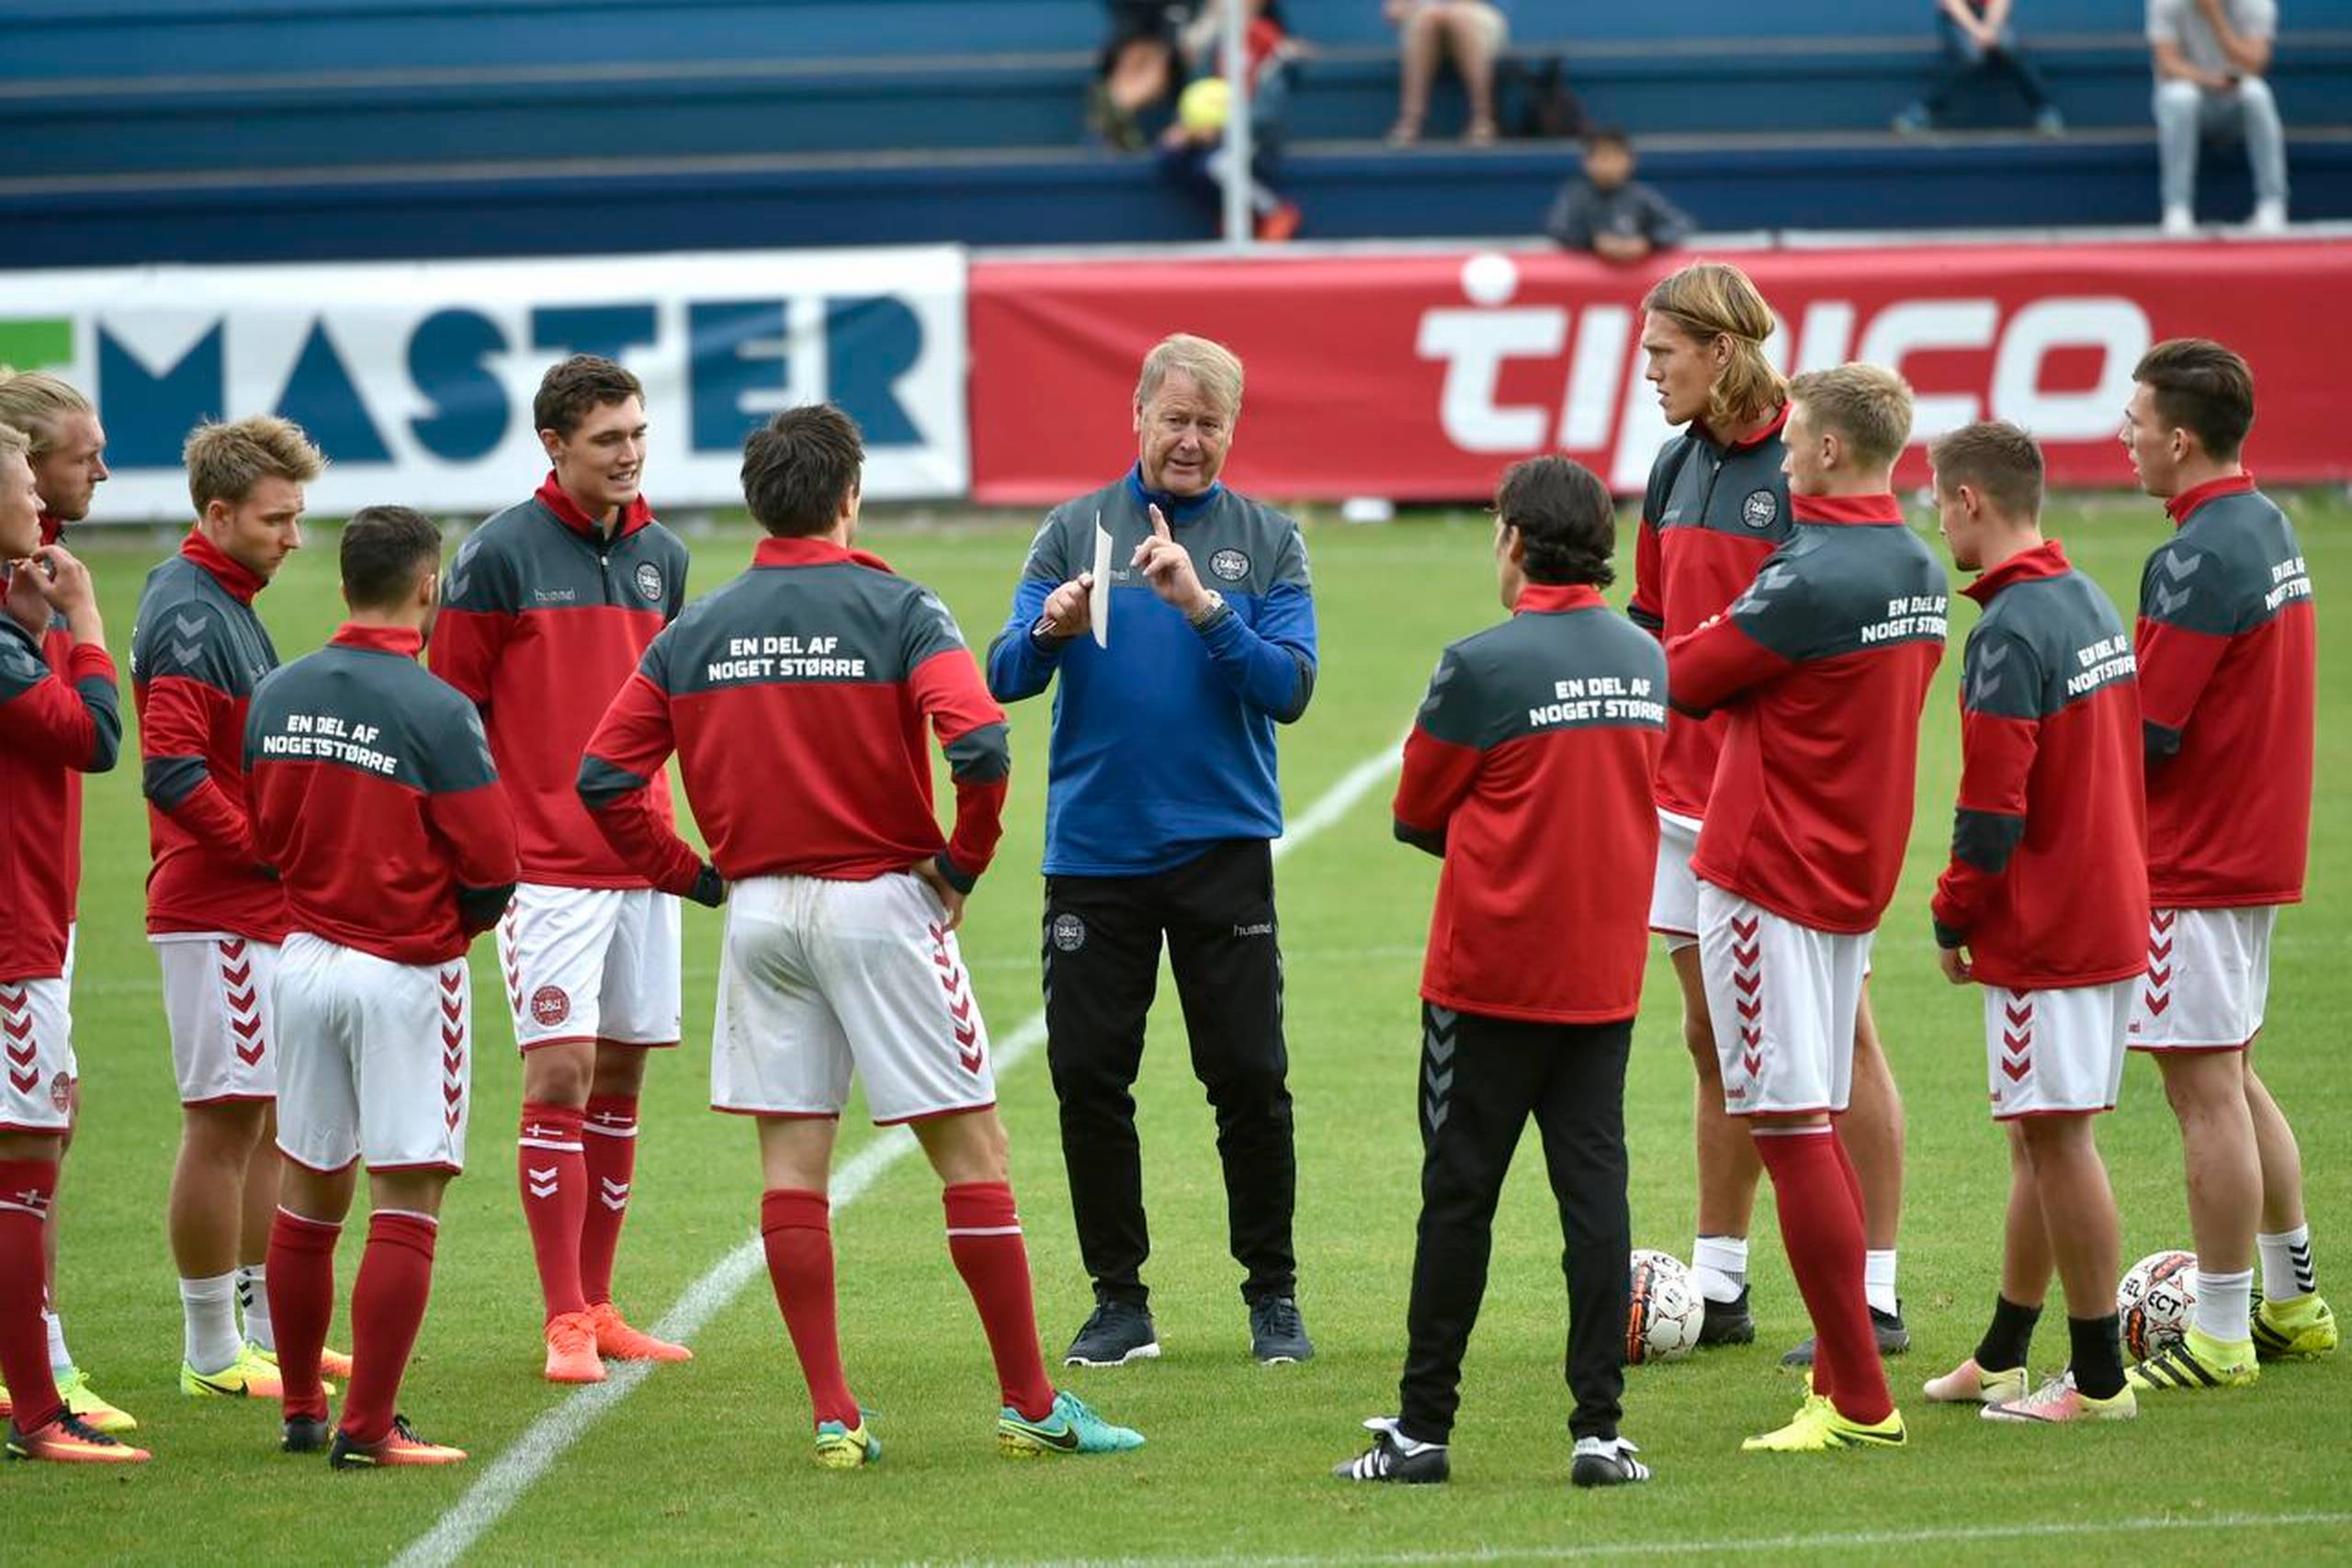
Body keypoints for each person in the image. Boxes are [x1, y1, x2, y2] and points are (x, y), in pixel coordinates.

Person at [578, 404, 1144, 1466]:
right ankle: (1029, 1404)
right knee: (972, 1153)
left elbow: (603, 778)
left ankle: (836, 1417)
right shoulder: (898, 607)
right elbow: (979, 742)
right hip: (883, 907)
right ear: (849, 496)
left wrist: (692, 876)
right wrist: (961, 866)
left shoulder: (694, 629)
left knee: (792, 1166)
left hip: (759, 918)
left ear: (758, 501)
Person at [985, 333, 1317, 1369]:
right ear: (1136, 417)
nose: (1190, 440)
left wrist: (1202, 607)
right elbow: (1002, 676)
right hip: (1094, 852)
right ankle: (1118, 1301)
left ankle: (1272, 1296)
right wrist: (1047, 627)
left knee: (1249, 1077)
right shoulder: (1071, 528)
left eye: (1209, 423)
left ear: (1232, 430)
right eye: (1173, 418)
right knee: (1089, 1077)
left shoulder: (1266, 541)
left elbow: (1290, 688)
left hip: (1220, 848)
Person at [1335, 456, 1662, 1489]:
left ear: (1514, 540)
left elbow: (1415, 813)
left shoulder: (1479, 664)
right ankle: (1598, 1434)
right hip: (1602, 979)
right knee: (1594, 1202)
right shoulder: (1647, 659)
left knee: (1458, 1200)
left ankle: (1423, 1430)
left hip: (1485, 985)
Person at [1627, 264, 1913, 1365]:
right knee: (1713, 1039)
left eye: (1663, 355)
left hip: (1784, 806)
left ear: (1719, 349)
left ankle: (1874, 1293)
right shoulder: (1671, 464)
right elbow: (1653, 620)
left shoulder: (1805, 463)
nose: (1649, 375)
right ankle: (1720, 1282)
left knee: (1843, 1043)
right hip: (1680, 797)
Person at [1666, 363, 1946, 1452]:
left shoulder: (1810, 573)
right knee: (1812, 1117)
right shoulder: (1917, 562)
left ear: (1830, 449)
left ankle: (1856, 1399)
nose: (1782, 455)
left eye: (1795, 444)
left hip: (1767, 871)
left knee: (1786, 1130)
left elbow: (1686, 678)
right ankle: (1843, 1368)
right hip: (1851, 874)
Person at [430, 354, 693, 1384]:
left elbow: (672, 704)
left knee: (623, 1071)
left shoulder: (663, 555)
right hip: (541, 867)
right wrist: (478, 854)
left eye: (636, 435)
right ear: (553, 445)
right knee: (559, 1074)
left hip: (642, 862)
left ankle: (600, 1300)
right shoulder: (495, 556)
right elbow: (449, 715)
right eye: (606, 440)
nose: (628, 455)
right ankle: (561, 1320)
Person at [251, 505, 519, 1468]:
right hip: (404, 968)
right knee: (406, 1200)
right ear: (427, 586)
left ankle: (297, 1407)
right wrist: (454, 930)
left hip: (302, 958)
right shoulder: (436, 706)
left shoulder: (278, 689)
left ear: (343, 584)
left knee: (307, 1196)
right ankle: (366, 1427)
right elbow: (492, 863)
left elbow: (263, 825)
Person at [2118, 337, 2335, 1389]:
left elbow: (2148, 733)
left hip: (2190, 861)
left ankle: (2215, 1334)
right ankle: (2293, 1303)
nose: (2123, 437)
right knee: (2235, 1078)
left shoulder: (2195, 555)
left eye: (2134, 420)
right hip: (2251, 849)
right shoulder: (2265, 522)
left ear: (2179, 436)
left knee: (2201, 1092)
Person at [1920, 421, 2144, 1424]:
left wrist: (1951, 913)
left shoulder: (2008, 629)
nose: (1936, 518)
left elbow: (1993, 803)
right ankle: (2005, 1353)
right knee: (2037, 1139)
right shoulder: (2085, 596)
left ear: (1970, 500)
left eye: (1937, 500)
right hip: (2105, 906)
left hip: (2045, 930)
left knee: (2057, 1142)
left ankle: (2096, 1379)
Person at [133, 415, 359, 1402]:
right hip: (215, 904)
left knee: (265, 1120)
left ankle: (264, 1328)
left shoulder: (229, 596)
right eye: (277, 519)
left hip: (256, 905)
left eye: (299, 517)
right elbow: (175, 771)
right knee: (221, 1122)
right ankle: (211, 1349)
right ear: (218, 514)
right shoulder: (188, 608)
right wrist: (278, 852)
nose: (293, 538)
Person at [0, 420, 141, 1463]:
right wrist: (85, 618)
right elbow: (93, 735)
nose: (39, 506)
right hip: (13, 936)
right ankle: (39, 1413)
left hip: (33, 919)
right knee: (25, 1167)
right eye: (21, 483)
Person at [2148, 0, 2287, 235]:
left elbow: (2256, 62)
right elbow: (2168, 63)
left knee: (2257, 92)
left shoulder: (2257, 3)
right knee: (2183, 96)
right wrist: (2210, 81)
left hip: (2232, 101)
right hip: (2187, 96)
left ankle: (2272, 205)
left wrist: (2215, 18)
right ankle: (2177, 209)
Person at [1893, 1, 2065, 137]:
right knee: (1971, 56)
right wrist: (1977, 31)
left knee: (2011, 47)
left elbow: (2000, 3)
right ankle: (1922, 112)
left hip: (1991, 19)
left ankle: (2045, 111)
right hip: (1957, 20)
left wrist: (1990, 29)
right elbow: (1952, 4)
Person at [1544, 129, 1692, 264]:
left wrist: (1646, 242)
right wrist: (1594, 242)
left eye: (1615, 157)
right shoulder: (1574, 196)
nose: (1608, 165)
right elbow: (1558, 228)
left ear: (1630, 161)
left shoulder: (1642, 195)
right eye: (1602, 157)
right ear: (1586, 162)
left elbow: (1680, 224)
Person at [1385, 0, 1510, 146]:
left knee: (1457, 17)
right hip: (1426, 25)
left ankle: (1483, 119)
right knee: (1429, 19)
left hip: (1475, 22)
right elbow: (1394, 13)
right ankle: (1411, 120)